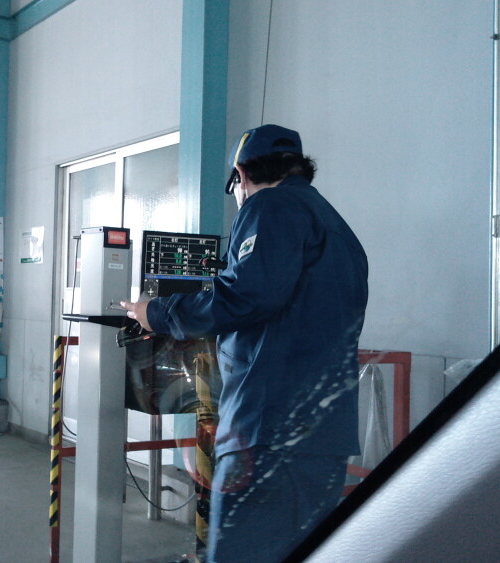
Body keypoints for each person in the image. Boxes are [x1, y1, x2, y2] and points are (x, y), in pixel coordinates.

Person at [121, 124, 368, 563]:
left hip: (268, 424)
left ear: (241, 175)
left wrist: (156, 313)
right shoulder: (334, 225)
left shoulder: (269, 207)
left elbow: (246, 296)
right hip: (325, 429)